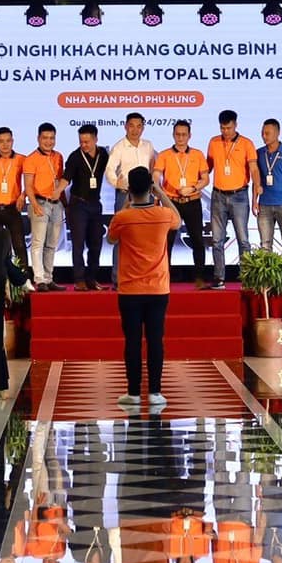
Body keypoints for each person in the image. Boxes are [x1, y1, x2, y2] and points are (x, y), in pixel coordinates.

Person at [109, 166, 180, 409]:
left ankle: (133, 393)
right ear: (150, 188)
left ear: (129, 190)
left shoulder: (123, 217)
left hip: (130, 290)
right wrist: (161, 192)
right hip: (158, 289)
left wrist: (126, 204)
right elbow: (178, 219)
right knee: (155, 340)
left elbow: (111, 238)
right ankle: (155, 392)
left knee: (132, 341)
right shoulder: (163, 214)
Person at [204, 110, 256, 288]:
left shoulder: (247, 143)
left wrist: (258, 187)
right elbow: (207, 167)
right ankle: (219, 277)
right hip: (218, 195)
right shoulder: (214, 142)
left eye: (229, 128)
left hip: (239, 195)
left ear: (236, 125)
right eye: (222, 128)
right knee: (217, 240)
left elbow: (254, 168)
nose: (225, 131)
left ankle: (247, 277)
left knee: (243, 239)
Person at [155, 121, 210, 286]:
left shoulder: (197, 155)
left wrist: (193, 188)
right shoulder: (164, 155)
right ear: (173, 135)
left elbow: (205, 179)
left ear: (189, 136)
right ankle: (165, 277)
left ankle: (199, 277)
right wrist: (159, 192)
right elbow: (156, 176)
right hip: (171, 203)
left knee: (197, 240)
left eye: (184, 134)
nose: (180, 138)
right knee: (167, 241)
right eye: (177, 134)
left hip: (192, 201)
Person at [63, 124, 109, 290]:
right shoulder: (75, 157)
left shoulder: (103, 154)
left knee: (96, 244)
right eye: (81, 141)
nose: (84, 145)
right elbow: (66, 179)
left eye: (87, 142)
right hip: (78, 205)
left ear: (96, 139)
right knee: (78, 244)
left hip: (95, 204)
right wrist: (57, 191)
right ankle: (79, 279)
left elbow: (112, 169)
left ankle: (91, 278)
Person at [0, 126, 31, 272]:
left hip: (12, 208)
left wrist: (23, 195)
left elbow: (31, 180)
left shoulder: (22, 159)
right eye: (1, 141)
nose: (5, 144)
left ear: (12, 141)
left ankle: (23, 277)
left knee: (19, 245)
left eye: (8, 141)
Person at [24, 123, 66, 291]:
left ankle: (49, 278)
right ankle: (39, 279)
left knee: (52, 244)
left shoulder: (58, 156)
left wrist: (64, 204)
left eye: (52, 138)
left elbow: (60, 181)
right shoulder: (31, 159)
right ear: (38, 138)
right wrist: (34, 204)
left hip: (57, 205)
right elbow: (28, 185)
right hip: (40, 203)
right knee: (38, 243)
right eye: (45, 138)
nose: (48, 141)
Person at [254, 118, 282, 257]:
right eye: (262, 133)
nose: (264, 136)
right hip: (264, 205)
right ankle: (267, 272)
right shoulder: (258, 153)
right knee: (265, 245)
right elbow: (256, 179)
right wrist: (254, 200)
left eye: (267, 133)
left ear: (277, 133)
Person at [105, 111, 159, 199]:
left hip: (146, 193)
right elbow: (109, 169)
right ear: (125, 126)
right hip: (126, 193)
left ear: (143, 128)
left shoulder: (148, 145)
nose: (135, 130)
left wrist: (155, 190)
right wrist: (116, 183)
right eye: (131, 126)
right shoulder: (118, 147)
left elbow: (152, 168)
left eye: (139, 126)